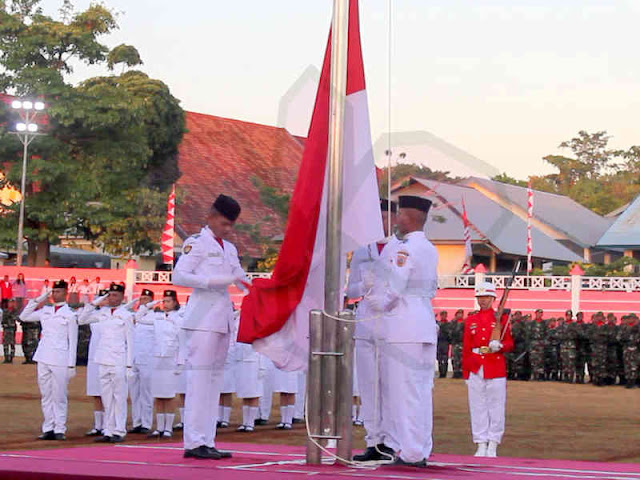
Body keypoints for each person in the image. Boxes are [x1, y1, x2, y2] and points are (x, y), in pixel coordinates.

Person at [172, 194, 248, 460]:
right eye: (225, 223)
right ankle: (193, 441)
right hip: (202, 320)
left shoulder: (229, 248)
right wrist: (211, 281)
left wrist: (260, 289)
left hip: (222, 320)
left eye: (231, 225)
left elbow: (240, 278)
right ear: (212, 217)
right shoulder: (197, 243)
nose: (228, 229)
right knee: (199, 380)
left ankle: (208, 439)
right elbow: (179, 276)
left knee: (215, 382)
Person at [367, 195, 438, 467]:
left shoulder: (406, 248)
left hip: (403, 324)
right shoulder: (429, 247)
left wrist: (379, 303)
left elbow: (397, 284)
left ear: (408, 217)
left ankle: (409, 452)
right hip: (422, 322)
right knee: (419, 391)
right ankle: (420, 448)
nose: (396, 220)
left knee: (403, 390)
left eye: (399, 215)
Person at [347, 198, 399, 462]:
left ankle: (390, 441)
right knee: (368, 385)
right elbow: (350, 290)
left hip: (391, 322)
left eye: (387, 217)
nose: (382, 223)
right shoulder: (361, 250)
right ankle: (373, 440)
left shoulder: (400, 249)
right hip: (366, 321)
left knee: (389, 385)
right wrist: (364, 286)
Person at [20, 280, 78, 441]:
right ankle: (48, 427)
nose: (54, 294)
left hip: (60, 358)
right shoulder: (46, 310)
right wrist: (39, 299)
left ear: (65, 293)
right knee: (46, 394)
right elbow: (24, 316)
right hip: (43, 356)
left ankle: (59, 428)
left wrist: (71, 364)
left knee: (59, 395)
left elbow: (73, 340)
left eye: (58, 291)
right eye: (53, 292)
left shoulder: (70, 314)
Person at [462, 281, 514, 458]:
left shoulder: (501, 319)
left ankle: (493, 443)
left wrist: (500, 345)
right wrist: (466, 372)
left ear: (493, 298)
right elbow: (467, 347)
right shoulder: (471, 320)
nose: (482, 300)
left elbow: (509, 343)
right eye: (480, 297)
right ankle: (480, 442)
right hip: (476, 365)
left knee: (496, 406)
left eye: (486, 297)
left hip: (495, 365)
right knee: (477, 407)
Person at [79, 283, 134, 443]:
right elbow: (82, 319)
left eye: (115, 295)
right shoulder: (102, 313)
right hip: (102, 359)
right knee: (107, 397)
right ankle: (108, 430)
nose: (111, 298)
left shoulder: (126, 315)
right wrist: (95, 302)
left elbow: (130, 342)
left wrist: (129, 365)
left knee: (119, 396)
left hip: (118, 360)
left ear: (122, 297)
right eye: (109, 295)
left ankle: (119, 430)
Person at [137, 290, 183, 438]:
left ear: (175, 302)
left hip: (170, 360)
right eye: (164, 301)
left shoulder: (179, 319)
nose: (165, 304)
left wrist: (180, 363)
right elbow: (137, 317)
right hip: (157, 359)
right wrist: (150, 304)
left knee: (169, 395)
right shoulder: (157, 317)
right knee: (158, 395)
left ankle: (168, 427)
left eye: (168, 301)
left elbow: (183, 342)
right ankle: (159, 427)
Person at [128, 289, 158, 435]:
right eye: (142, 298)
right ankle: (137, 422)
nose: (143, 301)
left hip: (148, 359)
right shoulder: (135, 316)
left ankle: (146, 423)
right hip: (134, 358)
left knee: (146, 393)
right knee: (134, 393)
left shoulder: (155, 317)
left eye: (147, 298)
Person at [529, 309, 547, 381]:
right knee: (533, 360)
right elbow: (528, 334)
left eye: (540, 313)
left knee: (541, 360)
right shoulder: (532, 323)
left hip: (541, 344)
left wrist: (544, 342)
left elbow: (547, 333)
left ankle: (540, 376)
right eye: (537, 313)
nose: (539, 314)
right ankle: (534, 375)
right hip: (533, 344)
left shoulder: (544, 323)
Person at [2, 299, 19, 363]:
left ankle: (11, 357)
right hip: (6, 329)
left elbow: (15, 318)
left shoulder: (15, 311)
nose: (11, 304)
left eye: (12, 302)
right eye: (10, 302)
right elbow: (3, 320)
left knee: (12, 344)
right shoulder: (5, 311)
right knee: (5, 344)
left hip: (12, 328)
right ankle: (6, 357)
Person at [450, 310, 465, 379]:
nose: (460, 315)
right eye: (458, 314)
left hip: (462, 343)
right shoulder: (453, 322)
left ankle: (461, 372)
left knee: (462, 359)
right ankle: (455, 372)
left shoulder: (465, 322)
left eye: (461, 314)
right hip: (455, 342)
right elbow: (450, 332)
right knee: (455, 358)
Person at [436, 311, 451, 378]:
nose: (443, 316)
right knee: (439, 358)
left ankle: (444, 373)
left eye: (444, 315)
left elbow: (450, 333)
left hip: (445, 342)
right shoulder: (438, 324)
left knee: (445, 358)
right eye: (442, 315)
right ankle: (440, 373)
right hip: (439, 342)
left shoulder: (448, 324)